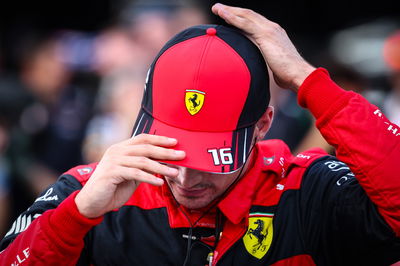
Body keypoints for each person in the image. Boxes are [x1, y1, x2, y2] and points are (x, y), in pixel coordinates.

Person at [1, 3, 400, 265]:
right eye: (173, 152)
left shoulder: (308, 190)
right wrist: (77, 216)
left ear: (263, 124)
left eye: (213, 156)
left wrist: (308, 81)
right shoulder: (87, 194)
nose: (188, 178)